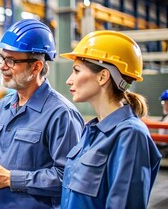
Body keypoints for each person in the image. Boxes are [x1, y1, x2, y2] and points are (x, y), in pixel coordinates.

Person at [0, 19, 84, 208]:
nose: (2, 66)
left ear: (36, 66)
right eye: (2, 58)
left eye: (11, 61)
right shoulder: (3, 106)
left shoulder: (61, 114)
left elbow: (70, 177)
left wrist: (11, 179)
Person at [60, 30, 161, 208]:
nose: (69, 80)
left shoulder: (130, 135)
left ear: (102, 76)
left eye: (76, 71)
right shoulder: (91, 132)